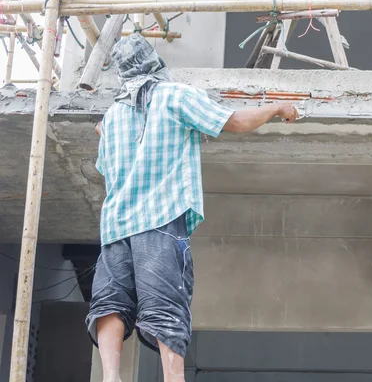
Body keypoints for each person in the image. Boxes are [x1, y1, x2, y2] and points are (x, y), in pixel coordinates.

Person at [87, 33, 299, 382]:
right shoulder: (174, 96)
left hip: (115, 225)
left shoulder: (111, 117)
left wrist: (110, 132)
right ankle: (173, 379)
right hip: (159, 218)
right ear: (152, 61)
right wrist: (276, 108)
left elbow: (106, 167)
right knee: (166, 304)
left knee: (110, 300)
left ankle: (110, 376)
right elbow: (235, 121)